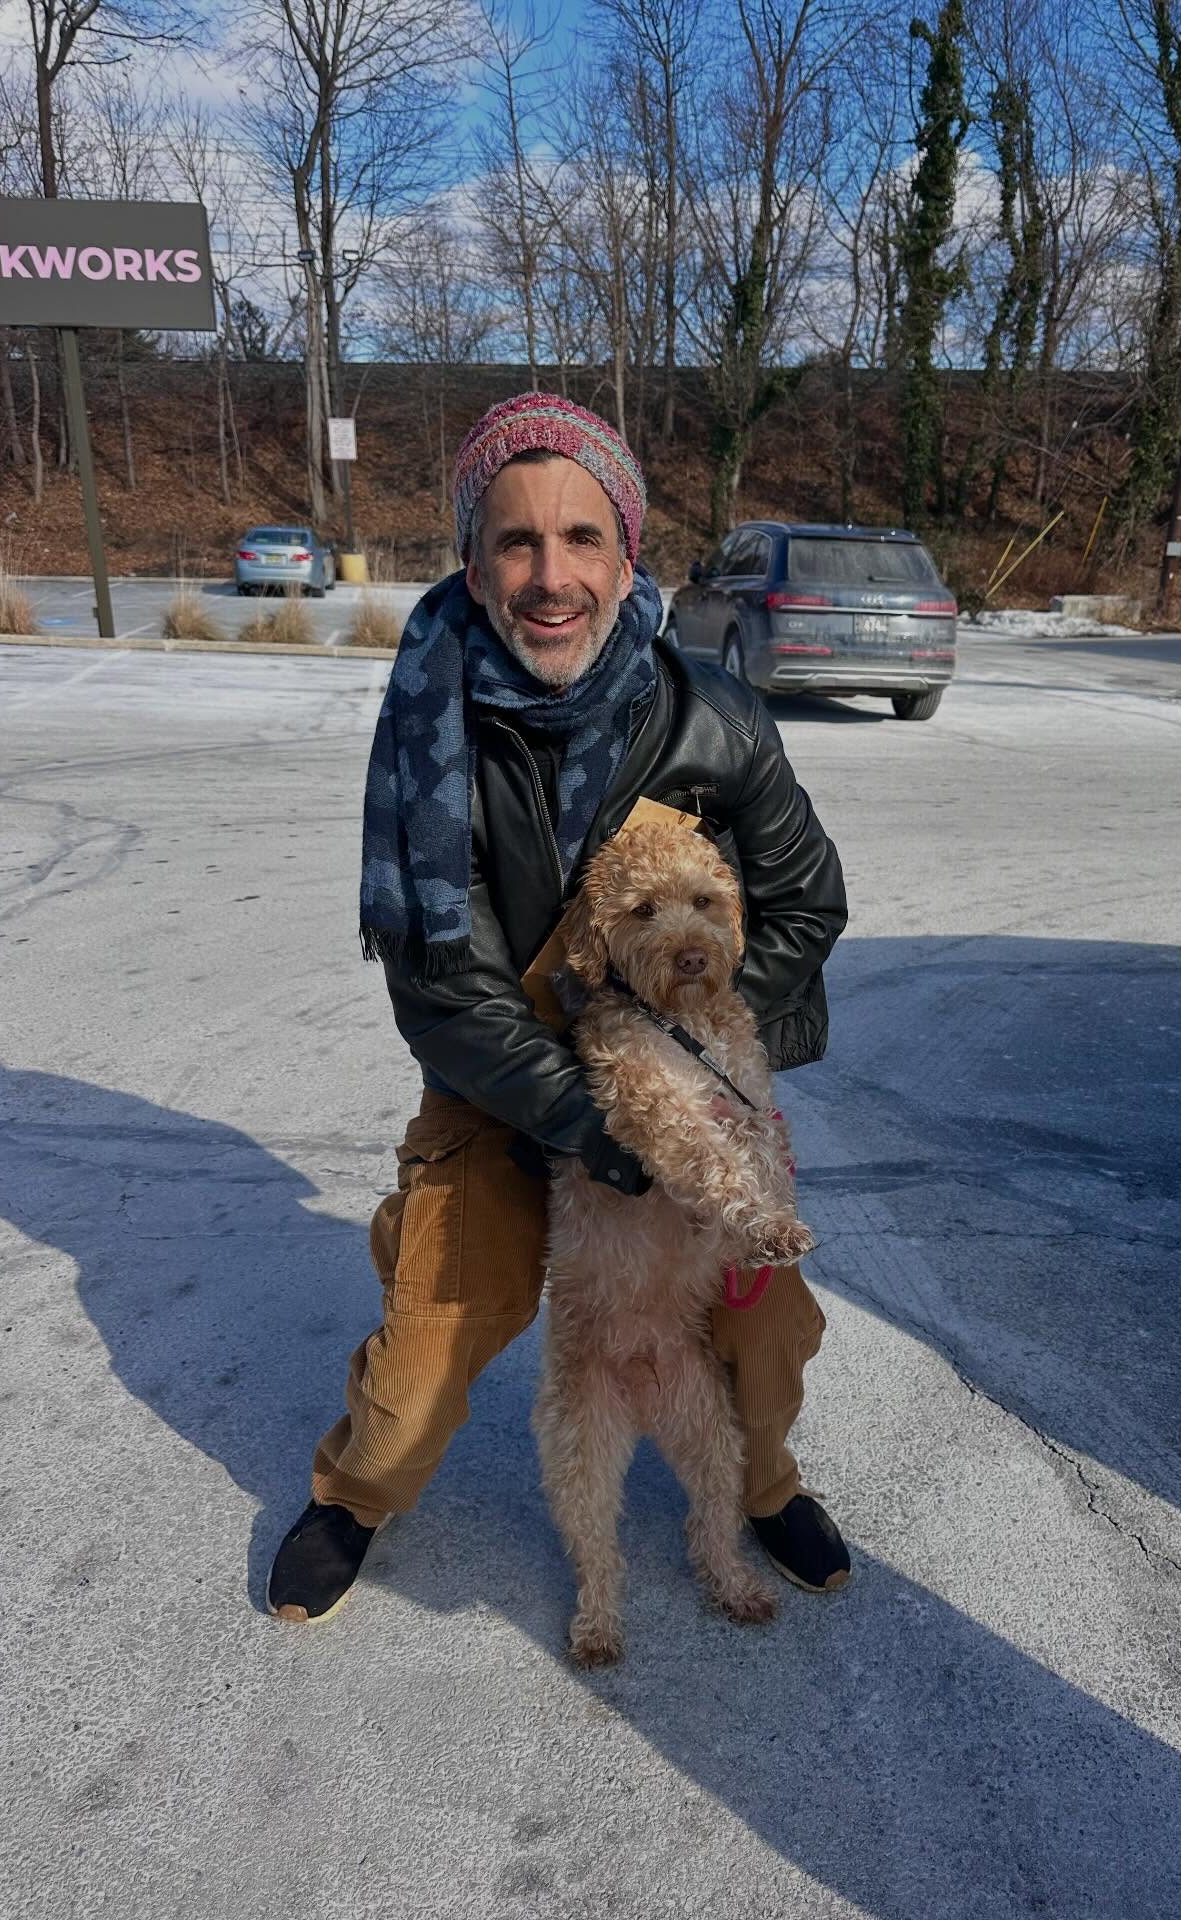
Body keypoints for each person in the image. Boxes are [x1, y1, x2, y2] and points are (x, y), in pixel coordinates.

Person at [268, 393, 850, 1623]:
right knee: (430, 1351)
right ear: (474, 567)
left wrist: (716, 1046)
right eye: (517, 541)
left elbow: (804, 909)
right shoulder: (434, 733)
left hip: (685, 1071)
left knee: (765, 1321)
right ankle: (353, 1490)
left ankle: (763, 1485)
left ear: (627, 557)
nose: (551, 576)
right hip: (506, 1088)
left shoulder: (719, 720)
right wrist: (599, 1125)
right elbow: (445, 994)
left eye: (581, 538)